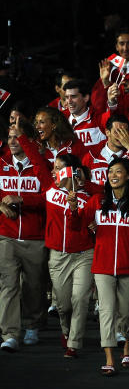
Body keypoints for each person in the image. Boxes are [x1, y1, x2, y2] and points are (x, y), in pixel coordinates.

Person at [69, 158, 129, 376]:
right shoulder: (98, 201)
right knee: (106, 312)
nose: (113, 175)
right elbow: (77, 226)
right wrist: (73, 209)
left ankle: (127, 344)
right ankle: (109, 358)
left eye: (118, 171)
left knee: (127, 313)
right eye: (110, 172)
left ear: (128, 176)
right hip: (103, 266)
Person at [0, 122, 53, 351]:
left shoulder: (40, 166)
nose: (13, 142)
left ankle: (32, 324)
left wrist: (23, 200)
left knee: (33, 285)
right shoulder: (1, 165)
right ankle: (10, 334)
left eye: (18, 138)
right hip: (6, 237)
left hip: (34, 237)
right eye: (10, 137)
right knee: (9, 285)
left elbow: (50, 195)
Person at [44, 156, 94, 358]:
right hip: (58, 255)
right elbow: (38, 164)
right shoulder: (50, 190)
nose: (54, 172)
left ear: (72, 172)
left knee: (80, 299)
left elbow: (106, 194)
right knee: (64, 305)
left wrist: (84, 181)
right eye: (54, 168)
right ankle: (66, 330)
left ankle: (74, 343)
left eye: (58, 169)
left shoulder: (91, 196)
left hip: (84, 254)